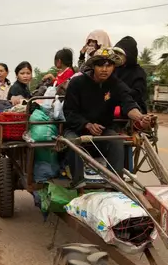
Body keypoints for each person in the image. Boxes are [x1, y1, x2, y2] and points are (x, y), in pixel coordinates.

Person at [63, 48, 152, 188]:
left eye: (109, 65)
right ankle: (78, 182)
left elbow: (128, 103)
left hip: (103, 130)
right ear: (93, 66)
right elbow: (69, 112)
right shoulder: (77, 83)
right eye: (100, 65)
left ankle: (115, 184)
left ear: (113, 67)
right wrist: (87, 125)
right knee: (72, 142)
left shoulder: (116, 84)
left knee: (116, 141)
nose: (104, 69)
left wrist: (140, 117)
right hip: (77, 129)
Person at [115, 36, 148, 113]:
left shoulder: (138, 72)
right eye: (116, 53)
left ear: (129, 55)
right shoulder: (112, 69)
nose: (117, 56)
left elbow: (137, 95)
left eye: (120, 54)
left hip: (133, 108)